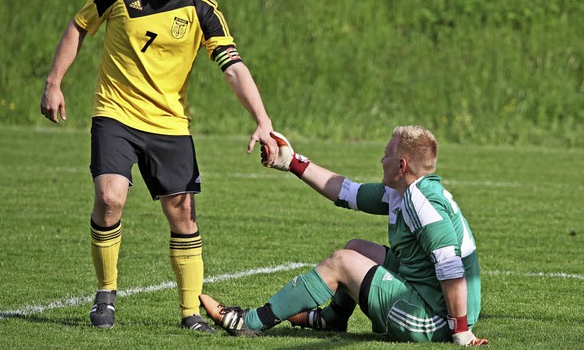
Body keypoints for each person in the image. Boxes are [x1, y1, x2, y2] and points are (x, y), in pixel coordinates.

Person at [39, 0, 278, 332]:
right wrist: (54, 82)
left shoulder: (203, 8)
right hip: (115, 113)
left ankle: (190, 313)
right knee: (110, 198)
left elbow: (232, 67)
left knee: (182, 214)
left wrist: (263, 120)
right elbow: (80, 27)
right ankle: (106, 295)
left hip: (169, 124)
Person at [200, 126, 488, 345]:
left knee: (342, 261)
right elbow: (346, 192)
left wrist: (461, 331)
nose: (381, 159)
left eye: (387, 155)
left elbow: (451, 266)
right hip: (432, 298)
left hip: (434, 319)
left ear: (402, 166)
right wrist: (291, 162)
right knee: (356, 248)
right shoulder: (406, 192)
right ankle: (332, 320)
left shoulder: (422, 204)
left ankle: (248, 322)